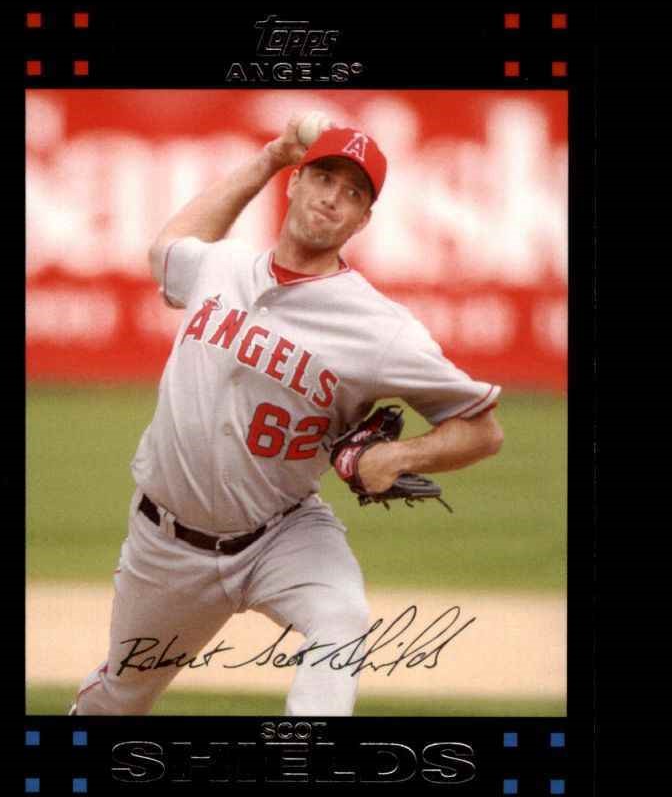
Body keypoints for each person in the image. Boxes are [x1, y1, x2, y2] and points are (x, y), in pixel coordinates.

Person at [71, 118, 503, 716]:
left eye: (353, 193)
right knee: (119, 698)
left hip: (283, 533)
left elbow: (482, 429)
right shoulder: (221, 267)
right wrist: (269, 156)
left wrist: (400, 455)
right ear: (295, 183)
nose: (332, 197)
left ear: (363, 220)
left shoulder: (381, 329)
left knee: (341, 618)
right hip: (166, 544)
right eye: (323, 178)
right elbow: (165, 250)